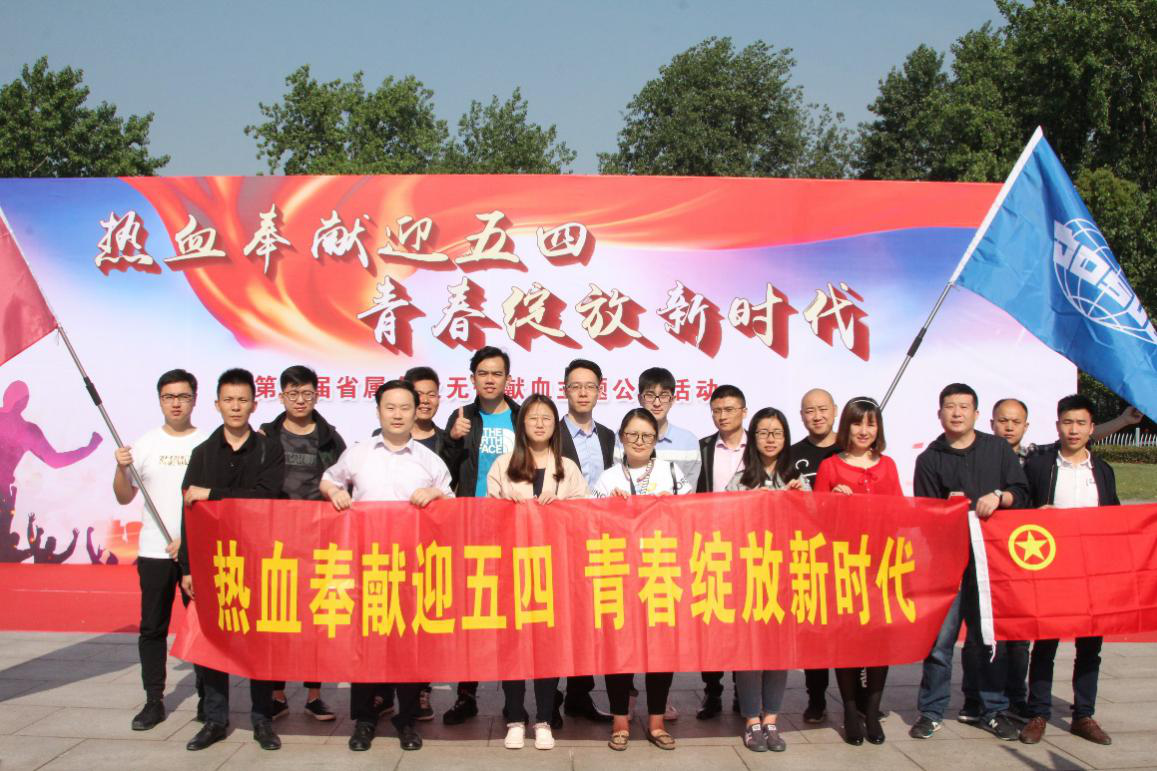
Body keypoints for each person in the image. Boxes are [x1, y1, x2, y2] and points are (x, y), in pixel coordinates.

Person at [321, 379, 453, 752]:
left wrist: (435, 493)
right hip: (368, 567)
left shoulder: (428, 459)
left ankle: (406, 720)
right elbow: (328, 479)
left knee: (409, 647)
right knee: (366, 646)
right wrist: (335, 492)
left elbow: (451, 499)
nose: (397, 415)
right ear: (378, 411)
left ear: (416, 411)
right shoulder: (359, 453)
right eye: (390, 407)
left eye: (405, 407)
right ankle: (364, 719)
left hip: (413, 569)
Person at [908, 383, 1029, 742]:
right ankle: (931, 712)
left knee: (987, 638)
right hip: (946, 564)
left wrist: (1000, 496)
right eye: (950, 406)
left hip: (991, 563)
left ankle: (992, 710)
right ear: (939, 413)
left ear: (976, 414)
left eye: (964, 406)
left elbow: (1021, 492)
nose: (957, 413)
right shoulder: (929, 459)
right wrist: (947, 510)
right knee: (940, 642)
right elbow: (924, 517)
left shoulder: (997, 450)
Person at [178, 368, 286, 752]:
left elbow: (266, 496)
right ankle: (215, 719)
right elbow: (189, 511)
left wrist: (213, 493)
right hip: (213, 563)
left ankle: (262, 719)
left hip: (258, 560)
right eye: (229, 400)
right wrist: (187, 567)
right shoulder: (203, 453)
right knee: (213, 641)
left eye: (242, 400)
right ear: (217, 405)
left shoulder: (268, 449)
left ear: (254, 404)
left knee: (260, 642)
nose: (236, 407)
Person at [485, 393, 589, 750]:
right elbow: (487, 517)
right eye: (533, 418)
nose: (540, 423)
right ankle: (515, 717)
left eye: (546, 417)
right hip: (512, 570)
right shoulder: (503, 464)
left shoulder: (567, 468)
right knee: (513, 646)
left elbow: (584, 517)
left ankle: (544, 718)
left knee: (548, 646)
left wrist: (561, 507)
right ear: (522, 424)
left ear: (554, 425)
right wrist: (506, 507)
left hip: (555, 571)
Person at [1018, 394, 1117, 747]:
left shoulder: (1102, 471)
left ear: (1092, 428)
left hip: (1092, 573)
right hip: (1051, 572)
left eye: (1080, 423)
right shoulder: (1041, 465)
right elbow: (1019, 512)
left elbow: (1117, 520)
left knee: (1090, 648)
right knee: (1045, 644)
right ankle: (1038, 713)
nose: (1073, 430)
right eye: (1067, 422)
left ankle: (1083, 715)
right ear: (1058, 425)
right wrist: (1035, 516)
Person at [112, 369, 205, 731]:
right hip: (155, 551)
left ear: (195, 399)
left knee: (202, 626)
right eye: (169, 397)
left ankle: (208, 698)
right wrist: (121, 469)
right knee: (153, 627)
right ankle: (154, 700)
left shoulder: (208, 442)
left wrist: (190, 537)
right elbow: (124, 497)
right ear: (160, 401)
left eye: (183, 396)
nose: (176, 403)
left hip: (196, 552)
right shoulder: (145, 445)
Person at [596, 408, 688, 751]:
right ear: (622, 437)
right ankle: (620, 721)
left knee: (660, 649)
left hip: (661, 571)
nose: (639, 441)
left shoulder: (671, 472)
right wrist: (610, 507)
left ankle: (656, 721)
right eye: (632, 434)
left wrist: (670, 506)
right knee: (619, 649)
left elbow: (691, 516)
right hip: (619, 573)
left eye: (646, 435)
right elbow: (591, 524)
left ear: (656, 439)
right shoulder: (607, 478)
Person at [260, 365, 346, 722]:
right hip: (276, 544)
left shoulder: (330, 439)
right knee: (278, 620)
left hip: (319, 543)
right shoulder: (265, 435)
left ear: (317, 395)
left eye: (307, 393)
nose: (300, 400)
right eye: (293, 393)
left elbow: (344, 482)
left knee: (316, 622)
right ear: (281, 396)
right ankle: (277, 694)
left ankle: (314, 695)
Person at [439, 346, 520, 725]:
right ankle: (466, 695)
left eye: (497, 373)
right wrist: (453, 439)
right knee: (471, 615)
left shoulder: (521, 417)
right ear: (472, 378)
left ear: (507, 378)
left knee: (513, 615)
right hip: (472, 528)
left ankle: (512, 699)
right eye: (483, 373)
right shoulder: (462, 418)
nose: (490, 379)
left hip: (514, 529)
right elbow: (442, 470)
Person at [814, 397, 901, 746]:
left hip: (882, 565)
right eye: (857, 423)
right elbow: (815, 520)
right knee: (847, 641)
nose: (864, 431)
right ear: (846, 426)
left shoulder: (889, 466)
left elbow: (899, 515)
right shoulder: (830, 466)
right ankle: (850, 711)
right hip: (843, 566)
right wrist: (833, 502)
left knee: (880, 641)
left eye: (871, 424)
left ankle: (873, 709)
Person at [724, 406, 804, 752]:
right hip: (749, 578)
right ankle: (751, 719)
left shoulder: (797, 480)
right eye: (763, 432)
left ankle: (771, 718)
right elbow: (722, 524)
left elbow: (812, 527)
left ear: (785, 438)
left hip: (786, 580)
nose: (770, 439)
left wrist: (802, 500)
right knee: (750, 655)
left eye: (777, 432)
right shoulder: (740, 481)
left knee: (778, 654)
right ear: (752, 438)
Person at [557, 359, 615, 723]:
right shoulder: (550, 432)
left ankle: (580, 694)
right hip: (560, 539)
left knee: (589, 620)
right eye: (576, 386)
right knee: (557, 618)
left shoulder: (609, 436)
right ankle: (550, 698)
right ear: (564, 389)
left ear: (599, 391)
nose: (583, 393)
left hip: (599, 540)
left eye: (590, 386)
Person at [696, 384, 747, 719]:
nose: (723, 416)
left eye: (729, 409)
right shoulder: (703, 447)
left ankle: (744, 693)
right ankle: (712, 692)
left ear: (743, 411)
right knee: (711, 622)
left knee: (745, 621)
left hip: (749, 547)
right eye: (717, 410)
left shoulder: (758, 446)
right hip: (711, 546)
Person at [790, 387, 839, 723]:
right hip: (809, 555)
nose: (817, 416)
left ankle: (860, 698)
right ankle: (816, 698)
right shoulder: (793, 455)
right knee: (815, 631)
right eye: (810, 411)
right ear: (802, 416)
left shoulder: (851, 449)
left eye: (823, 409)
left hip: (850, 554)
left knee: (854, 629)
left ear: (835, 410)